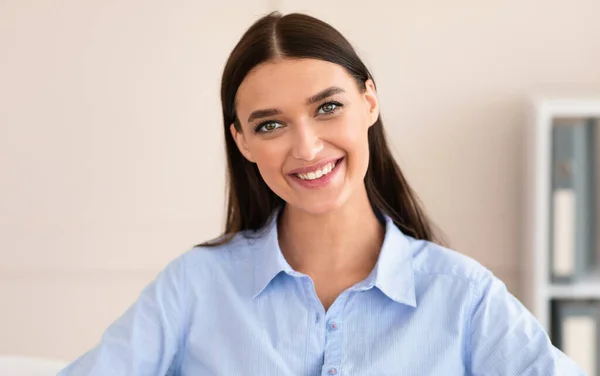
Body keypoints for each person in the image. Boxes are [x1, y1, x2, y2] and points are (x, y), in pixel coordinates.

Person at [59, 11, 585, 376]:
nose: (307, 147)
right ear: (241, 141)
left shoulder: (463, 297)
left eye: (327, 108)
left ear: (369, 101)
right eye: (270, 125)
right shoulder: (193, 290)